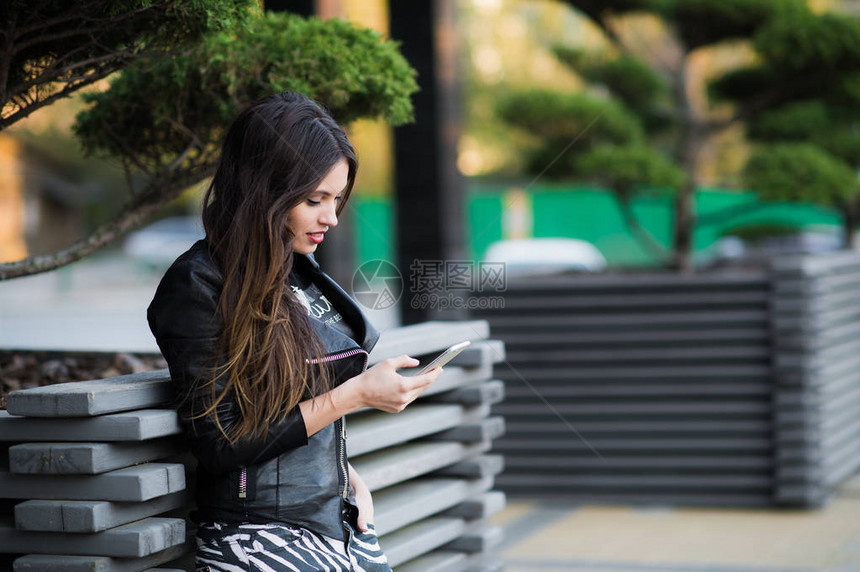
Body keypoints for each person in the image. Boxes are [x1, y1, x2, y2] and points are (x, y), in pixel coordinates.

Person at [147, 92, 443, 572]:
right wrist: (358, 394)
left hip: (336, 522)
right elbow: (222, 444)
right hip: (260, 536)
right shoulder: (198, 284)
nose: (331, 217)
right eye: (314, 200)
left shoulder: (295, 271)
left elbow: (291, 395)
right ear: (262, 190)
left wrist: (347, 478)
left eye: (337, 199)